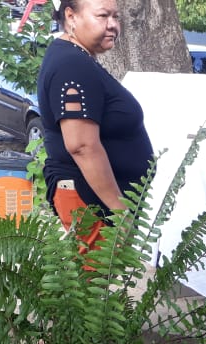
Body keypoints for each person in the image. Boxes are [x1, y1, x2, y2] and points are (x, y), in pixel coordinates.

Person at [38, 0, 154, 246]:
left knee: (91, 282)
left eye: (116, 17)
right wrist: (120, 211)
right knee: (87, 281)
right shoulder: (72, 65)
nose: (112, 25)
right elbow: (82, 145)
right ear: (71, 17)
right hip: (90, 201)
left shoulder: (76, 57)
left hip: (94, 199)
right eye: (102, 16)